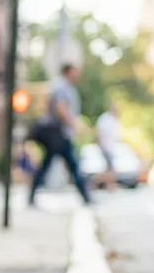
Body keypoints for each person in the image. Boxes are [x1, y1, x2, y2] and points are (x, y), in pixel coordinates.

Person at [29, 63, 92, 207]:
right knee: (73, 165)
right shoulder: (61, 87)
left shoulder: (64, 87)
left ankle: (31, 195)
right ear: (69, 71)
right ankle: (86, 197)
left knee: (48, 165)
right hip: (58, 134)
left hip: (59, 134)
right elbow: (60, 108)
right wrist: (73, 124)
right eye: (76, 71)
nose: (78, 74)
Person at [94, 102, 121, 191]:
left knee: (108, 168)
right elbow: (99, 132)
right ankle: (110, 186)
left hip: (111, 147)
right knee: (111, 168)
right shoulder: (105, 119)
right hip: (105, 147)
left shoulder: (114, 120)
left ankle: (96, 183)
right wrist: (101, 145)